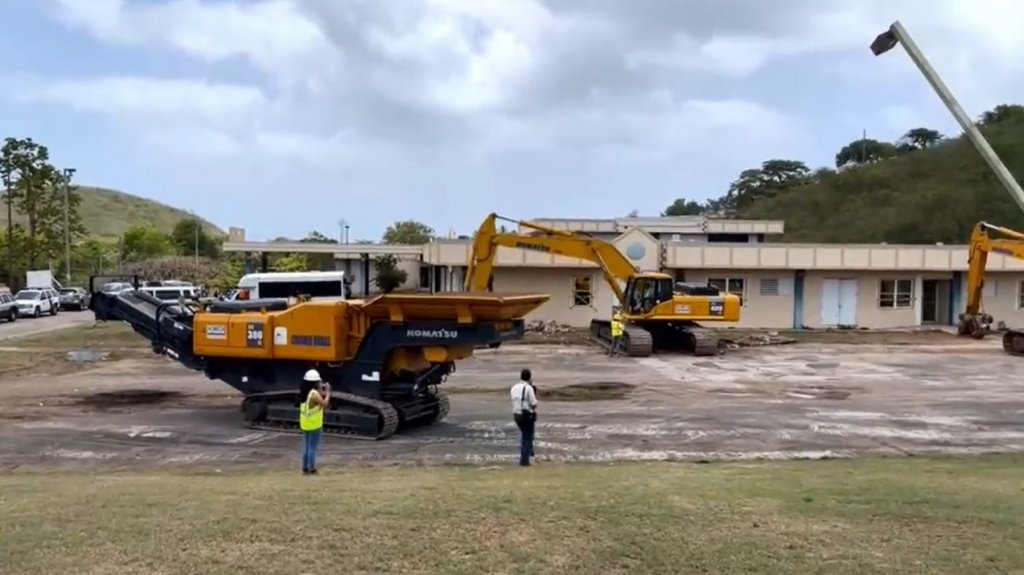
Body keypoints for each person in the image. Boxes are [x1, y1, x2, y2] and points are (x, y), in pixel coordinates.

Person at [298, 368, 331, 475]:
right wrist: (328, 393)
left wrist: (322, 391)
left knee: (307, 447)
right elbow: (324, 404)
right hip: (314, 424)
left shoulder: (305, 392)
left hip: (305, 423)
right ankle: (312, 469)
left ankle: (305, 468)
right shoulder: (314, 394)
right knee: (312, 448)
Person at [510, 368, 538, 466]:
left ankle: (527, 453)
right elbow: (534, 403)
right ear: (529, 377)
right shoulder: (528, 388)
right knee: (528, 436)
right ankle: (524, 460)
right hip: (526, 414)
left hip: (516, 414)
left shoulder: (514, 387)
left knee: (524, 435)